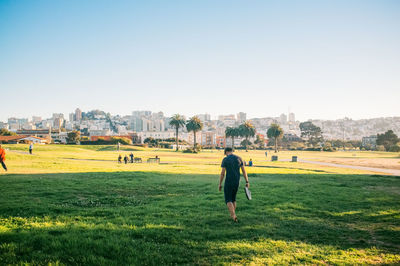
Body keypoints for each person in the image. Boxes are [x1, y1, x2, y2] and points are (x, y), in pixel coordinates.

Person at [219, 147, 249, 222]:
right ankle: (233, 214)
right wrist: (247, 181)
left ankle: (233, 215)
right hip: (237, 181)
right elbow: (244, 171)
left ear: (226, 152)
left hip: (229, 181)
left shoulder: (225, 159)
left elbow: (222, 173)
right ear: (232, 151)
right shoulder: (239, 158)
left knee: (228, 199)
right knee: (233, 198)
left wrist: (220, 184)